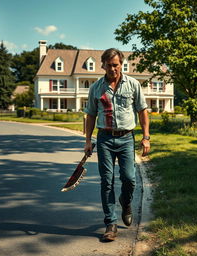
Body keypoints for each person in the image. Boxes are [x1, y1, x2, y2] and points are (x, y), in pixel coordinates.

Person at [84, 48, 150, 242]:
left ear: (121, 64)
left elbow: (142, 111)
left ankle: (125, 201)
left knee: (129, 179)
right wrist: (88, 140)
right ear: (102, 65)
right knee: (107, 181)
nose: (113, 68)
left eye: (116, 65)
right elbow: (90, 115)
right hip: (104, 138)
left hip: (126, 138)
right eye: (109, 65)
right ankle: (110, 223)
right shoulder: (96, 87)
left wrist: (146, 137)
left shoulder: (133, 84)